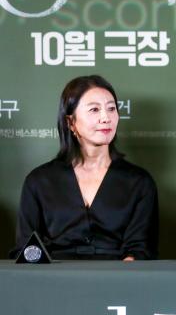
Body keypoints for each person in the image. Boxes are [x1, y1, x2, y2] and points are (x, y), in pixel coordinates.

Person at [10, 75, 158, 260]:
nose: (106, 118)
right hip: (53, 281)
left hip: (119, 280)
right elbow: (26, 248)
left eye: (111, 109)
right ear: (70, 122)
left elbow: (141, 249)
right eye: (94, 110)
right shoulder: (39, 181)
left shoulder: (139, 182)